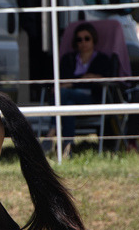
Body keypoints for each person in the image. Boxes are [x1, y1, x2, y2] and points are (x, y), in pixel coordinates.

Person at [45, 22, 115, 155]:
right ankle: (68, 147)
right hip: (69, 99)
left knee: (63, 93)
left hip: (90, 99)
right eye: (79, 39)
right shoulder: (68, 59)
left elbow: (104, 79)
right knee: (68, 104)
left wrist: (73, 83)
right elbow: (61, 80)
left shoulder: (102, 59)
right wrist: (83, 80)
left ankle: (51, 132)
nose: (83, 42)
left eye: (87, 38)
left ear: (94, 39)